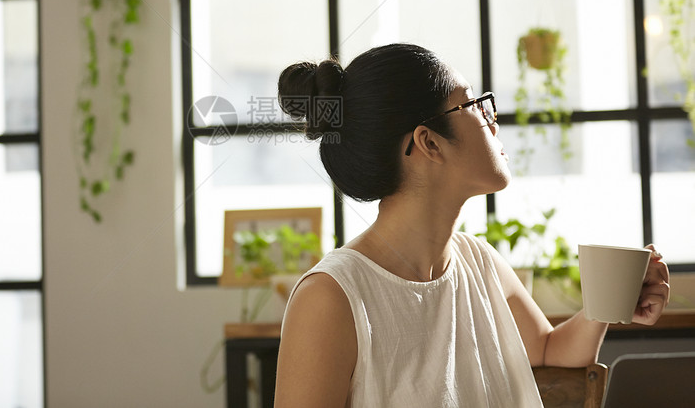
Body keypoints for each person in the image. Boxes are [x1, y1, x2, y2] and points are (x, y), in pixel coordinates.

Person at [273, 43, 670, 407]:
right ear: (429, 143)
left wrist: (611, 299)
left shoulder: (478, 261)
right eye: (475, 105)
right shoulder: (330, 298)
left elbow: (549, 351)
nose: (493, 121)